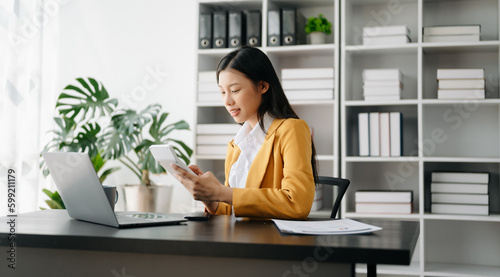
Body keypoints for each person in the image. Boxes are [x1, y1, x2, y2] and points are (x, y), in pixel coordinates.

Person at [172, 46, 318, 219]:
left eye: (234, 90)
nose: (227, 101)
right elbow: (233, 211)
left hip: (272, 241)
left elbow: (297, 203)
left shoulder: (291, 129)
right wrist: (210, 197)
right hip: (239, 238)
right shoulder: (237, 144)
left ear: (263, 86)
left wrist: (221, 191)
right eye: (222, 92)